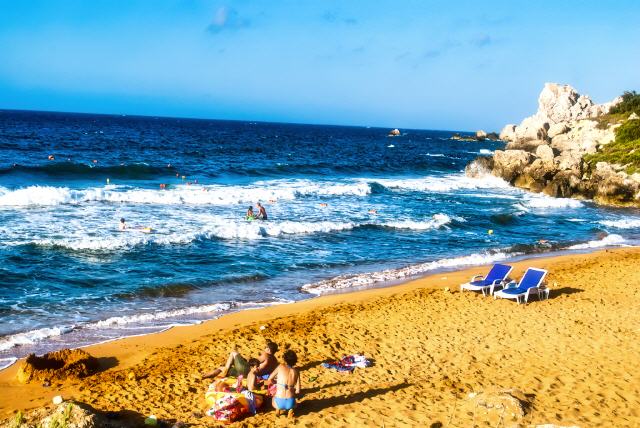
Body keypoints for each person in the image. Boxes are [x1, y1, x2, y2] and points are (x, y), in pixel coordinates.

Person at [267, 349, 301, 418]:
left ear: (285, 359)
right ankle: (291, 409)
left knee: (274, 397)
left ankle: (278, 409)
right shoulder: (296, 372)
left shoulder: (280, 367)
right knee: (294, 401)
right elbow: (298, 391)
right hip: (290, 402)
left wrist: (277, 384)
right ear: (295, 361)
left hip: (278, 401)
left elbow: (269, 379)